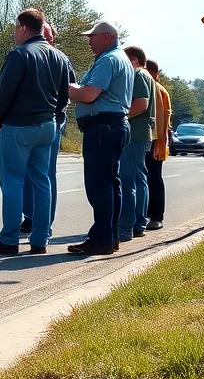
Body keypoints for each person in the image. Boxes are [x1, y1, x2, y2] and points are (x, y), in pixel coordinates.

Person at [0, 9, 72, 256]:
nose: (13, 34)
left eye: (14, 29)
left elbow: (4, 92)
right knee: (43, 182)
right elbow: (65, 96)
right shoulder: (59, 57)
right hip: (48, 126)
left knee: (13, 182)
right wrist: (55, 117)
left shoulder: (19, 55)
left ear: (23, 28)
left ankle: (9, 239)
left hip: (19, 126)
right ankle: (40, 240)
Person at [66, 21, 133, 256]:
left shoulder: (108, 59)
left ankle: (101, 239)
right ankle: (109, 236)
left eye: (92, 36)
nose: (89, 40)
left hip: (103, 128)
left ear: (106, 36)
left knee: (99, 185)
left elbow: (89, 93)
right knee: (111, 184)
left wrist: (69, 89)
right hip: (113, 126)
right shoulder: (119, 58)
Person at [20, 22, 76, 237]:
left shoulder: (60, 58)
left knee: (45, 172)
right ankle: (31, 216)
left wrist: (57, 114)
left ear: (52, 38)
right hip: (27, 122)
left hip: (52, 122)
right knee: (27, 172)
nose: (44, 38)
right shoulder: (25, 55)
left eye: (47, 35)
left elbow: (70, 90)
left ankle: (44, 224)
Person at [117, 47, 154, 242]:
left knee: (128, 181)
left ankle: (128, 225)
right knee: (140, 179)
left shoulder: (139, 75)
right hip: (142, 134)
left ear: (134, 59)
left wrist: (120, 115)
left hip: (134, 134)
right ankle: (139, 222)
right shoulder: (147, 76)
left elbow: (141, 104)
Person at [144, 60, 172, 230]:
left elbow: (165, 121)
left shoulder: (160, 92)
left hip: (155, 140)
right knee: (139, 180)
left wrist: (160, 144)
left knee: (154, 179)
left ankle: (156, 216)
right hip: (140, 138)